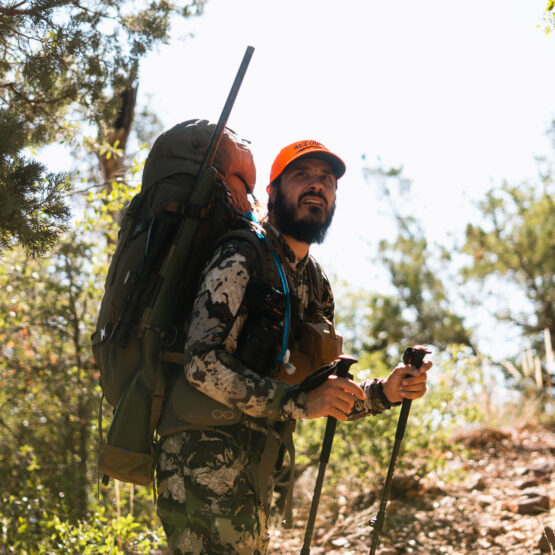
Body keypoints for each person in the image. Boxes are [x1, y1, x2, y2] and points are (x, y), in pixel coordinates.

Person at [155, 140, 432, 554]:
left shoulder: (315, 284)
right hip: (202, 452)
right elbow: (201, 364)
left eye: (326, 180)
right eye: (302, 176)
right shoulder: (241, 254)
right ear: (272, 192)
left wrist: (385, 392)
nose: (317, 186)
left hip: (259, 460)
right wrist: (296, 403)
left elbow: (321, 395)